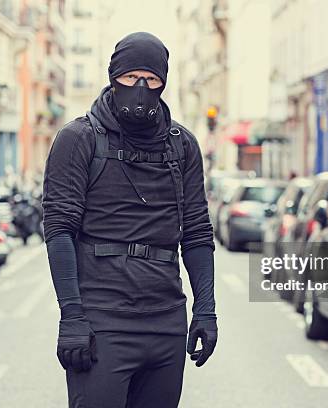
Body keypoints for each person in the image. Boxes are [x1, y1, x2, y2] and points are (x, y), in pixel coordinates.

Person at [42, 32, 218, 408]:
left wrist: (205, 309)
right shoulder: (78, 139)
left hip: (166, 321)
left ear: (163, 84)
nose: (140, 88)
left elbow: (199, 233)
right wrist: (71, 316)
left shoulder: (182, 145)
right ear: (113, 76)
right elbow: (59, 230)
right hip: (102, 320)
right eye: (130, 77)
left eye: (152, 80)